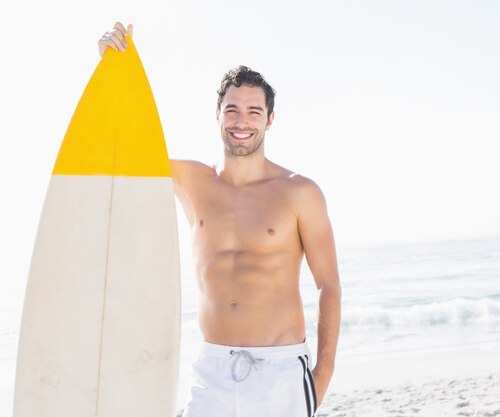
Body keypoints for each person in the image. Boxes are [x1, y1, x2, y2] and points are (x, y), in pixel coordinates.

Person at [98, 22, 342, 417]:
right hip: (210, 373)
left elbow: (328, 285)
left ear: (270, 119)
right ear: (217, 115)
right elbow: (124, 150)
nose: (241, 121)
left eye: (253, 111)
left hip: (280, 374)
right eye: (232, 109)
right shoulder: (193, 180)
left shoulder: (300, 193)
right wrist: (112, 70)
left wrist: (324, 371)